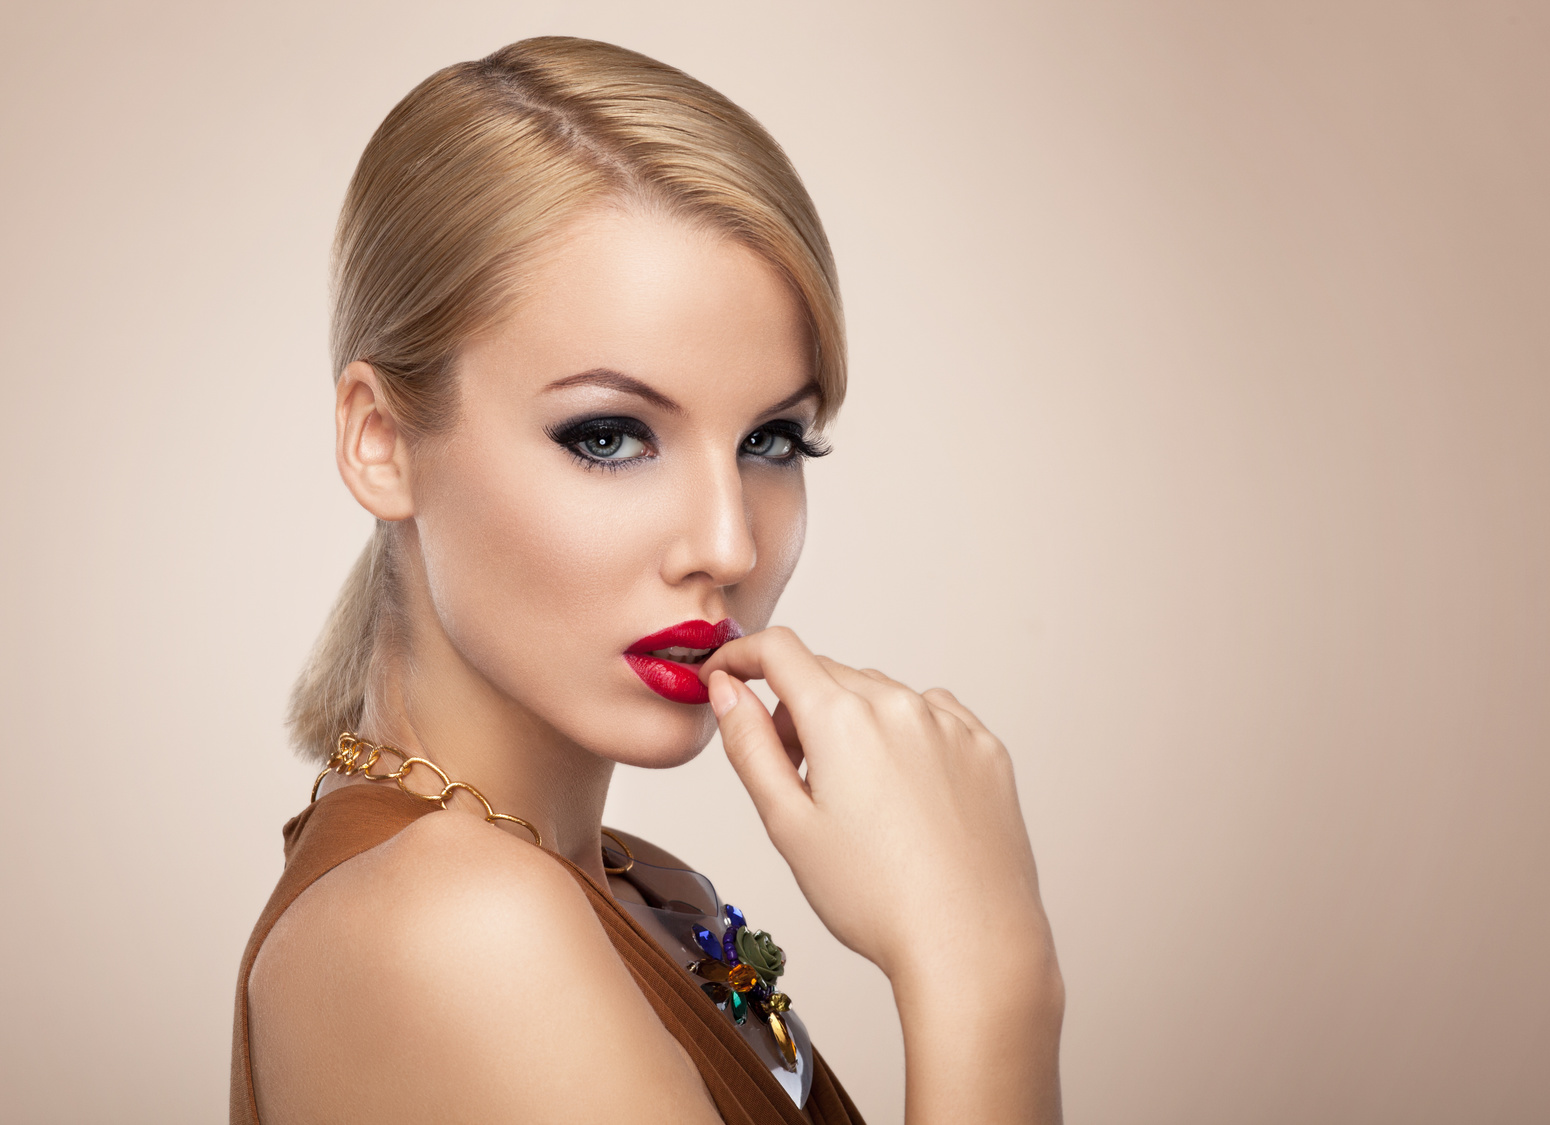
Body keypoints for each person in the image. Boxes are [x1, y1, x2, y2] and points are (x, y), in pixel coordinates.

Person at [232, 35, 1064, 1125]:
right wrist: (981, 971)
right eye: (611, 436)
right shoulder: (453, 927)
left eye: (771, 441)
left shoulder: (639, 884)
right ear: (381, 440)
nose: (727, 545)